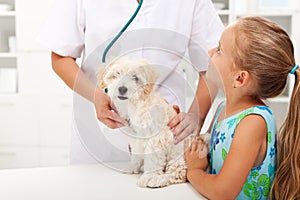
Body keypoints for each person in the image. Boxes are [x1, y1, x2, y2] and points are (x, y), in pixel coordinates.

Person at [37, 0, 224, 164]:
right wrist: (96, 97)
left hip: (165, 132)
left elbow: (213, 64)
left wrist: (195, 116)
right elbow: (61, 57)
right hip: (100, 137)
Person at [184, 16, 300, 200]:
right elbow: (202, 152)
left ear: (239, 78)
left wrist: (194, 171)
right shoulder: (223, 108)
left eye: (220, 50)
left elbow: (222, 192)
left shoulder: (253, 122)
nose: (210, 51)